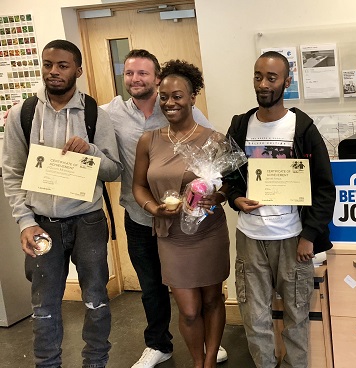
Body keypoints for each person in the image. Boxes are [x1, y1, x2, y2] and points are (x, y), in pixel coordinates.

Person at [100, 49, 226, 367]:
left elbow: (229, 182)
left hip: (207, 230)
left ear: (193, 97)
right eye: (166, 97)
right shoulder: (143, 135)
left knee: (211, 299)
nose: (169, 102)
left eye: (177, 96)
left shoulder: (213, 138)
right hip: (166, 231)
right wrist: (152, 207)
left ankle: (208, 358)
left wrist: (219, 195)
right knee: (185, 306)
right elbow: (138, 184)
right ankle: (178, 351)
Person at [2, 39, 121, 368]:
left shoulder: (97, 114)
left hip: (88, 222)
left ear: (78, 71)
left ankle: (95, 363)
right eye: (48, 64)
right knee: (43, 305)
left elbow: (114, 170)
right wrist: (25, 222)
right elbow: (11, 173)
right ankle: (47, 364)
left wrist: (92, 152)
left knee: (96, 299)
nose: (53, 71)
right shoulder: (23, 114)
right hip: (41, 224)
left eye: (62, 66)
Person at [225, 51, 335, 368]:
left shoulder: (302, 129)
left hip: (292, 238)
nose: (263, 84)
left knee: (297, 316)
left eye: (271, 78)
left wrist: (310, 235)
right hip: (250, 238)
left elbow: (325, 188)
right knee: (254, 318)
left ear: (286, 82)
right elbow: (229, 177)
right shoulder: (241, 126)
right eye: (258, 76)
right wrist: (236, 199)